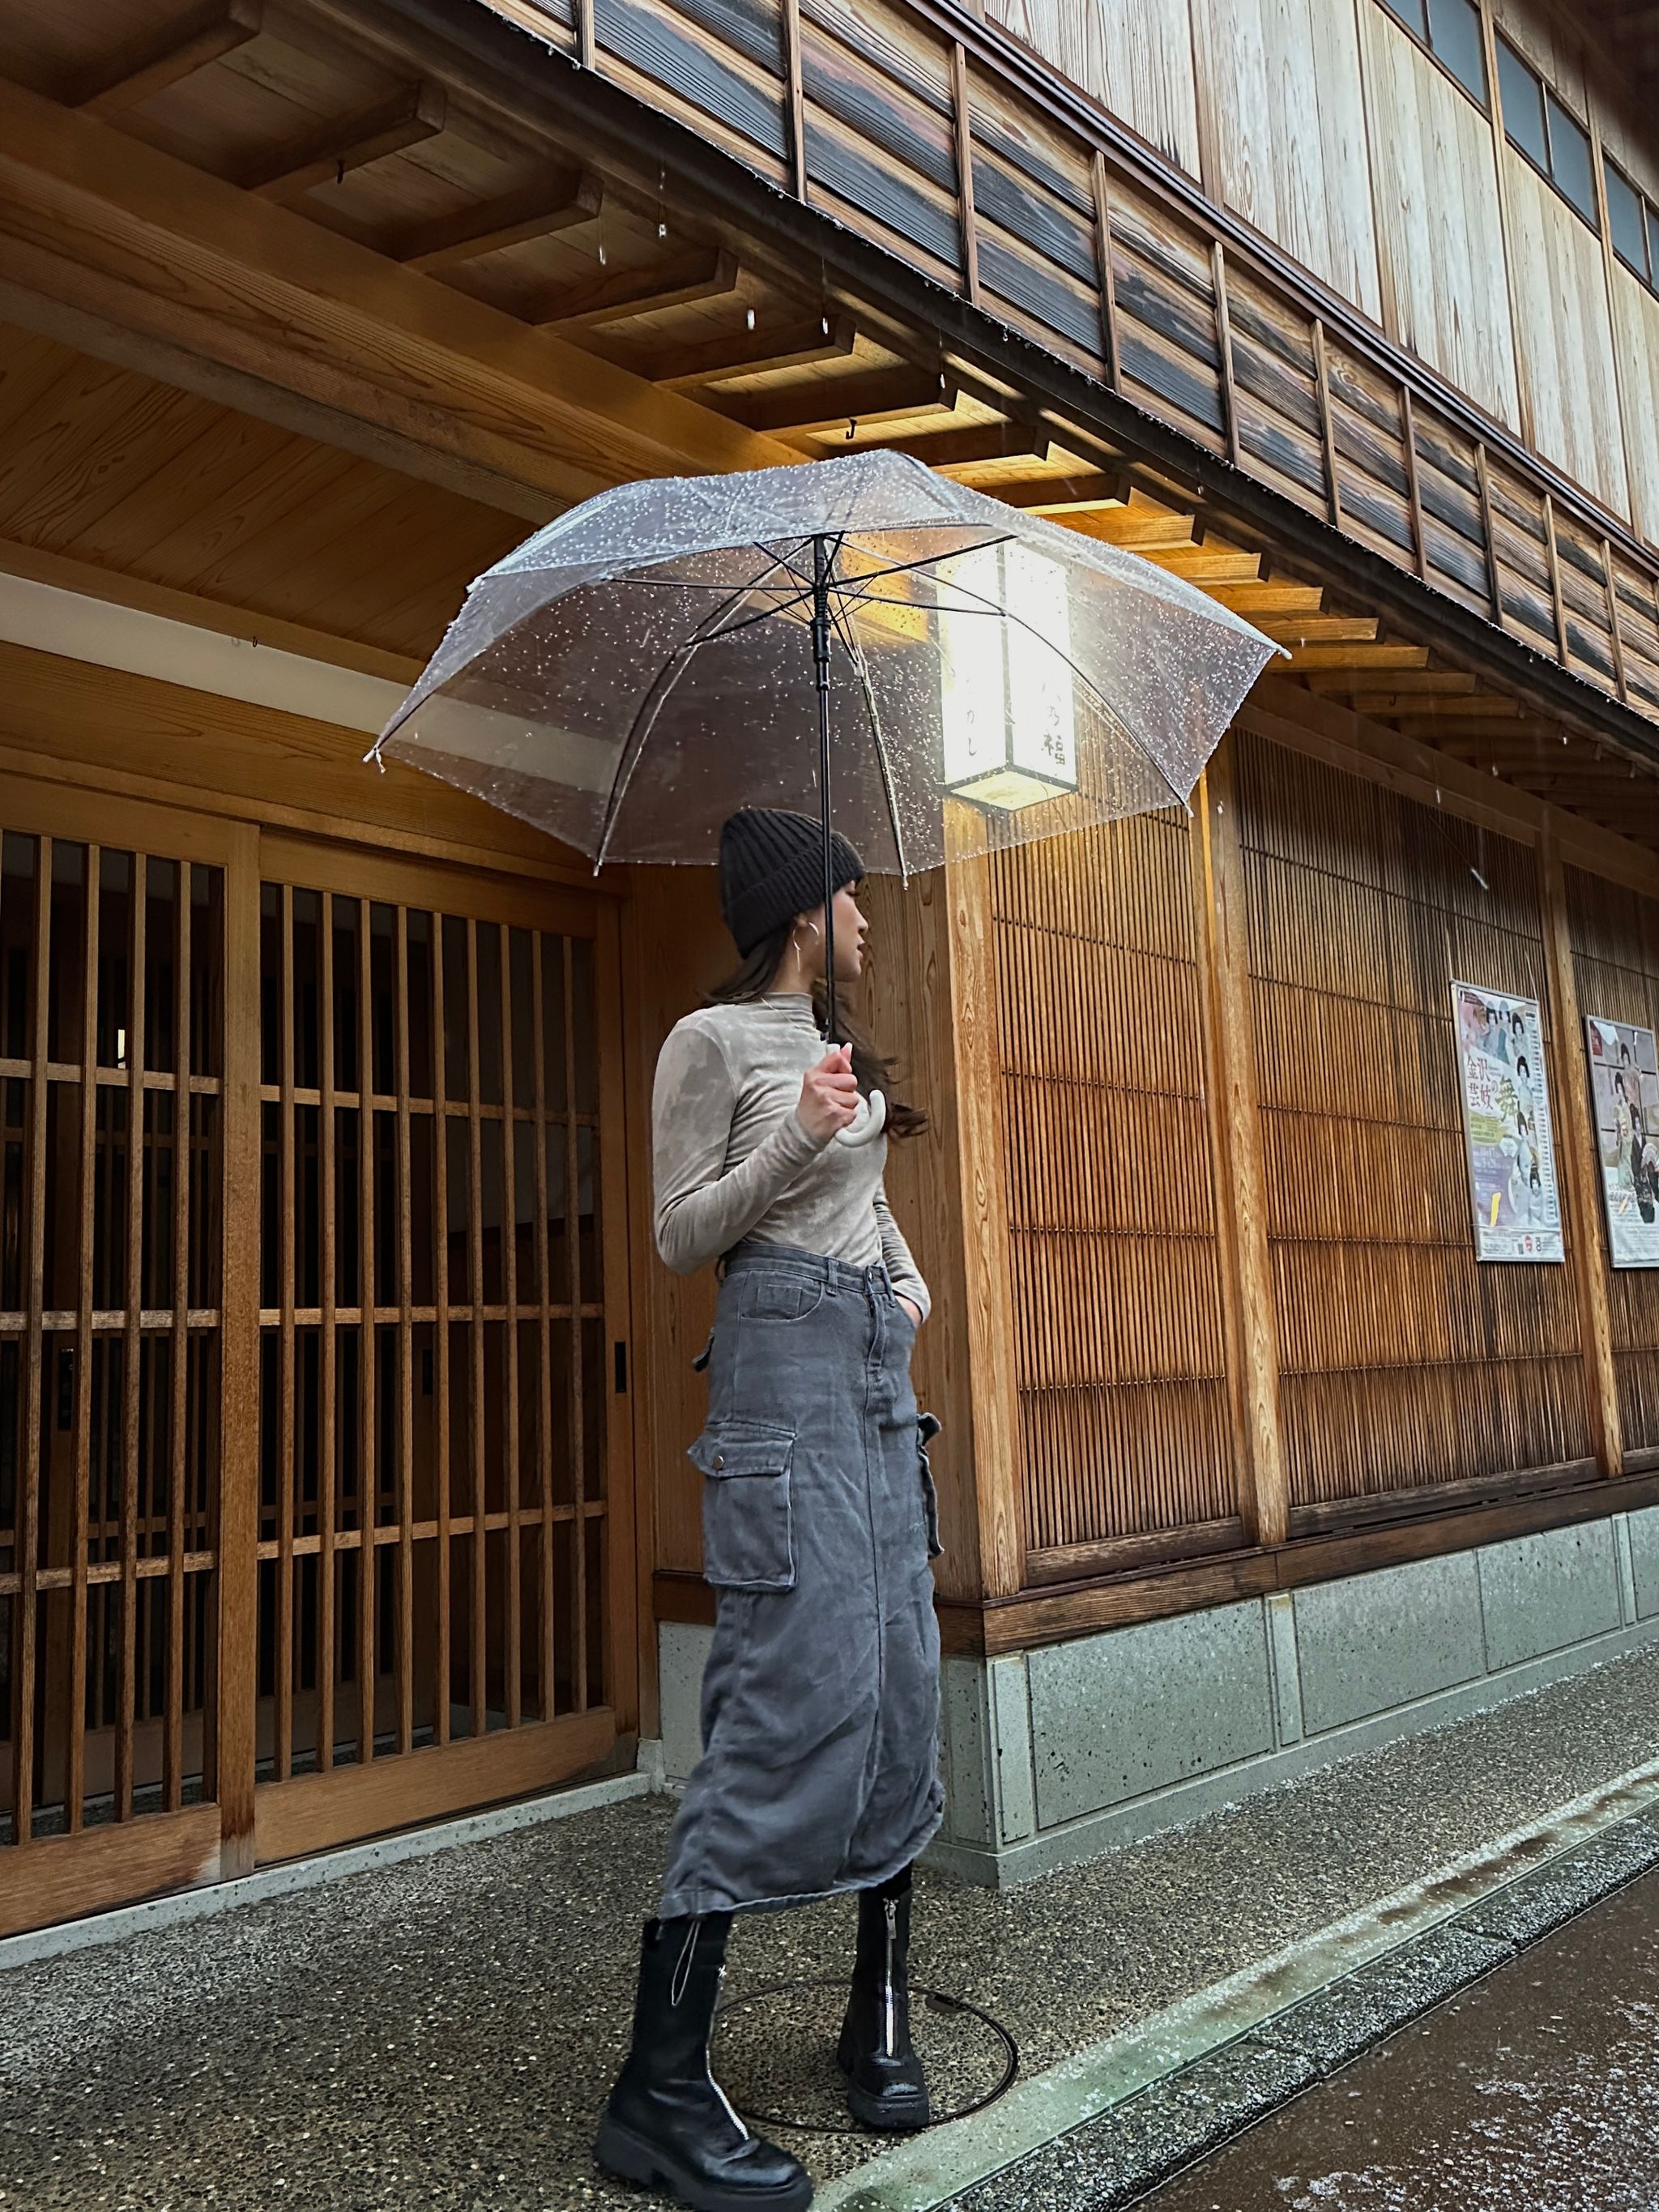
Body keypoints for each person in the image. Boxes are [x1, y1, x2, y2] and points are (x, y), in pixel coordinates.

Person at [594, 807, 944, 2212]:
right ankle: (660, 2089)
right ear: (808, 910)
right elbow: (684, 1231)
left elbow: (868, 1205)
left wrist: (907, 1280)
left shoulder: (842, 1052)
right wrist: (799, 1131)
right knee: (783, 1692)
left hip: (867, 1366)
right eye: (853, 897)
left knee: (900, 1681)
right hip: (781, 1371)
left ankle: (881, 2007)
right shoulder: (711, 1042)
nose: (868, 918)